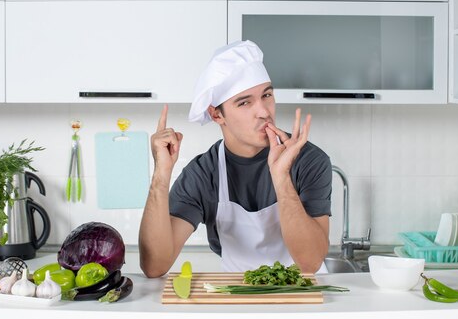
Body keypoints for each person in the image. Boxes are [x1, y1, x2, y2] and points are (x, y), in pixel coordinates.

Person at [138, 40, 332, 277]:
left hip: (303, 297)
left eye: (267, 95)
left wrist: (281, 179)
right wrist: (161, 173)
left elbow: (310, 263)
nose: (264, 111)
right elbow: (155, 265)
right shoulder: (204, 174)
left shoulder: (308, 160)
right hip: (237, 297)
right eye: (244, 102)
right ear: (216, 114)